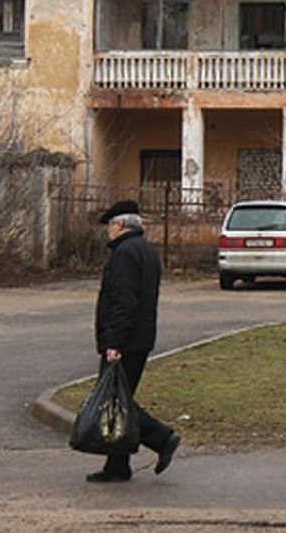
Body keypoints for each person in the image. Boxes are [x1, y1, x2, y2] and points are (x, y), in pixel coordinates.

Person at [88, 199, 180, 483]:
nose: (108, 232)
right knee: (117, 401)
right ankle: (118, 464)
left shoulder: (125, 254)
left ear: (120, 225)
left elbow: (124, 302)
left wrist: (114, 342)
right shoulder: (145, 252)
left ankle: (162, 438)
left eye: (110, 226)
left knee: (116, 401)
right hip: (139, 339)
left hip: (125, 342)